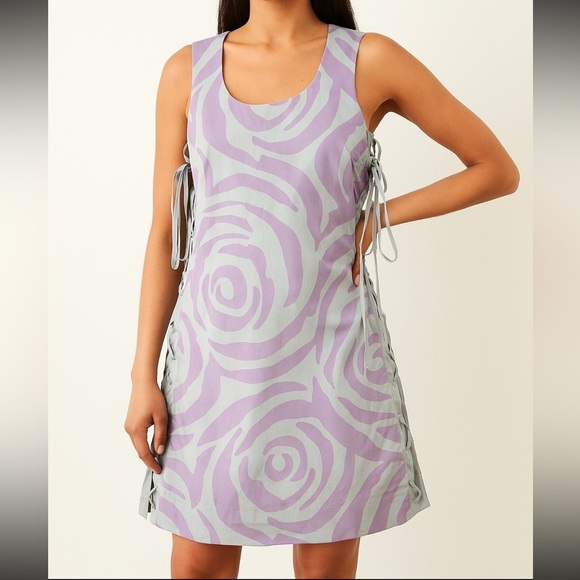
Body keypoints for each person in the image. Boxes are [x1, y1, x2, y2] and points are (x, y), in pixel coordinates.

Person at [124, 0, 520, 578]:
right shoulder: (187, 72)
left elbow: (495, 169)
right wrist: (142, 376)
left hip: (331, 367)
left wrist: (379, 216)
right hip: (211, 373)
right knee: (197, 568)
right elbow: (167, 235)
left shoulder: (368, 61)